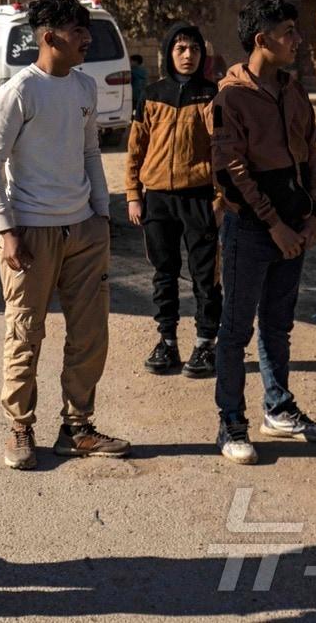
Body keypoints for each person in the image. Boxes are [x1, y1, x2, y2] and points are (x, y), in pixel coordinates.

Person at [0, 0, 128, 471]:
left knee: (90, 334)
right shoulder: (19, 92)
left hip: (84, 231)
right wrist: (7, 231)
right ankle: (20, 428)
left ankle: (77, 428)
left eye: (86, 29)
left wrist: (102, 216)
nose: (87, 38)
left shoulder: (84, 87)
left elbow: (90, 153)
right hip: (31, 234)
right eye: (77, 30)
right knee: (25, 334)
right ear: (49, 37)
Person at [210, 0, 316, 465]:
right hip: (251, 230)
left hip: (295, 229)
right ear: (262, 40)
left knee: (278, 325)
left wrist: (314, 213)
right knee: (235, 329)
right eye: (289, 32)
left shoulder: (293, 90)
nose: (299, 40)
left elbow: (311, 154)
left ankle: (278, 409)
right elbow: (232, 174)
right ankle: (231, 422)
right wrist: (275, 225)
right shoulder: (231, 98)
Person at [126, 22, 221, 378]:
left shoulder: (212, 95)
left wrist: (221, 199)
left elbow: (222, 150)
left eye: (194, 49)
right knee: (163, 273)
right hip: (158, 200)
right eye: (180, 48)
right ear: (168, 53)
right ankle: (167, 341)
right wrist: (134, 196)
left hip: (199, 198)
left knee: (205, 275)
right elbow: (136, 149)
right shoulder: (152, 95)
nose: (187, 55)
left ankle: (205, 343)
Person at [129, 52, 147, 117]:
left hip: (135, 95)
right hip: (141, 94)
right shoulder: (143, 70)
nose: (130, 63)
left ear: (136, 62)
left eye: (131, 61)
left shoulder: (133, 71)